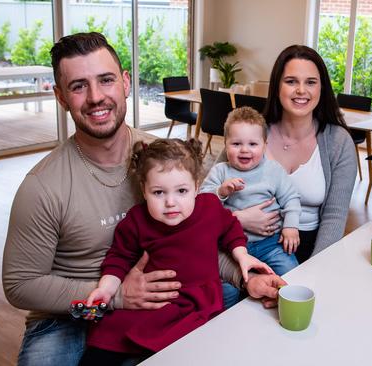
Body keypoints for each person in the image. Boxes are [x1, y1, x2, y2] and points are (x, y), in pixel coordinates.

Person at [1, 32, 285, 366]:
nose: (96, 97)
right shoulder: (42, 187)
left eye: (106, 80)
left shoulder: (165, 161)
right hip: (68, 313)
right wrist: (119, 295)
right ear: (61, 97)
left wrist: (245, 277)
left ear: (125, 82)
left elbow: (197, 239)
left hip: (168, 295)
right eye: (78, 86)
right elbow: (20, 285)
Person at [78, 138, 271, 364]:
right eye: (159, 193)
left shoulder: (209, 207)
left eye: (181, 191)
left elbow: (231, 228)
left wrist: (241, 254)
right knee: (102, 346)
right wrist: (106, 288)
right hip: (150, 305)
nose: (171, 202)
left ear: (196, 187)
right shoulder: (137, 220)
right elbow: (118, 257)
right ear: (144, 190)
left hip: (195, 307)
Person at [226, 45, 357, 264]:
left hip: (309, 250)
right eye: (291, 81)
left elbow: (335, 218)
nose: (301, 90)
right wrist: (238, 219)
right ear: (277, 87)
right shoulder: (250, 133)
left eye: (310, 82)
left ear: (322, 89)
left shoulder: (338, 141)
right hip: (243, 246)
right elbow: (208, 202)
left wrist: (313, 271)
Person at [201, 107, 301, 307]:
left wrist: (291, 226)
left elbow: (291, 198)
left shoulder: (273, 170)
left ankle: (280, 302)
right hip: (231, 249)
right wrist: (220, 192)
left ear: (264, 145)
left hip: (270, 243)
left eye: (252, 144)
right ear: (225, 143)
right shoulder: (221, 171)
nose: (244, 150)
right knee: (226, 289)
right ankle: (226, 317)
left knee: (290, 269)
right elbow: (201, 204)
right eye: (236, 143)